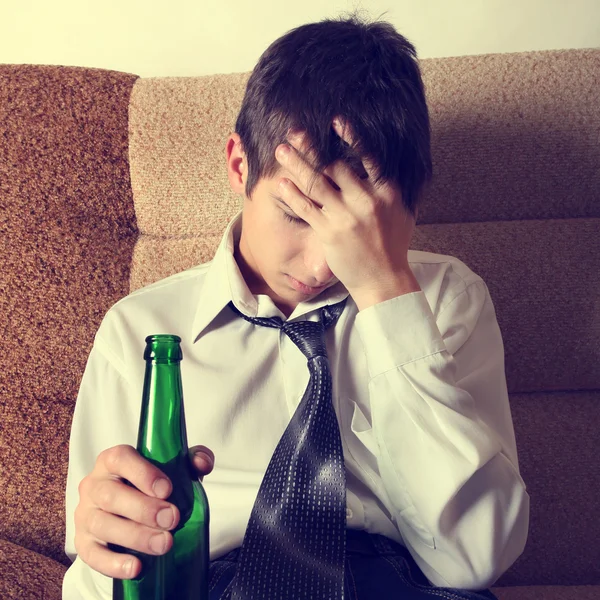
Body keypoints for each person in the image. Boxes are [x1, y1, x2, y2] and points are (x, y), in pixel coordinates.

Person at [62, 12, 530, 600]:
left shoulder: (446, 300)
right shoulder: (140, 329)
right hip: (220, 579)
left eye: (358, 226)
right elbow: (93, 567)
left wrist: (385, 288)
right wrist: (107, 545)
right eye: (297, 213)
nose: (320, 266)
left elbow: (473, 558)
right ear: (239, 165)